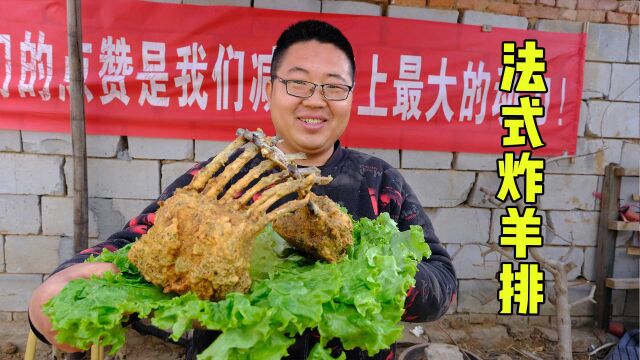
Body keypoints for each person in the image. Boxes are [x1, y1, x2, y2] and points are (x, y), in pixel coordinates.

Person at [29, 19, 457, 359]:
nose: (315, 99)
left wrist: (371, 277)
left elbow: (443, 283)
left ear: (351, 98)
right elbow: (130, 245)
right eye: (299, 82)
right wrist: (66, 289)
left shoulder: (379, 182)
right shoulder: (216, 180)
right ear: (271, 90)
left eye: (333, 86)